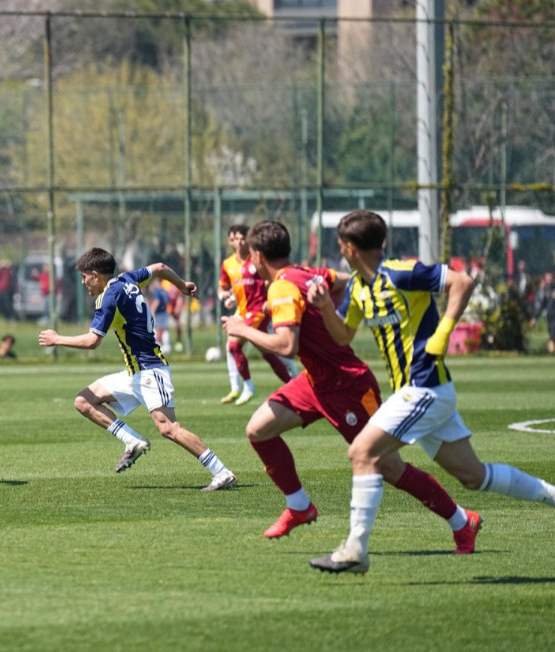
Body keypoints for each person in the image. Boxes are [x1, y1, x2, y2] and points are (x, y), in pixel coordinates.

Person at [307, 211, 555, 573]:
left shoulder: (401, 272)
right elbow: (343, 335)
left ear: (350, 246)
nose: (339, 250)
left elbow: (462, 283)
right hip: (417, 393)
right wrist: (326, 306)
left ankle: (355, 551)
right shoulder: (361, 289)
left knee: (362, 451)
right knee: (474, 476)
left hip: (424, 388)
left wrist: (443, 334)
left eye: (341, 244)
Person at [222, 220, 478, 550]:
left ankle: (462, 521)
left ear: (257, 256)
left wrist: (243, 329)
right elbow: (344, 280)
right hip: (315, 382)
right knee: (259, 429)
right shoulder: (307, 273)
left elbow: (287, 345)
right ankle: (300, 506)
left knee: (388, 467)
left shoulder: (282, 287)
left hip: (349, 386)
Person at [38, 247, 237, 492]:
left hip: (150, 371)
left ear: (96, 275)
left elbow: (92, 341)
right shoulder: (127, 279)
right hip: (135, 373)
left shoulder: (109, 296)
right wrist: (182, 284)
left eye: (84, 277)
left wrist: (57, 339)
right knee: (84, 400)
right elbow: (160, 267)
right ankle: (132, 440)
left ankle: (221, 471)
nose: (83, 283)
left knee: (169, 428)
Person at [217, 224, 296, 405]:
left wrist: (270, 298)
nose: (238, 242)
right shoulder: (228, 264)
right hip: (243, 312)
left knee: (233, 345)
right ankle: (292, 383)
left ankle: (248, 387)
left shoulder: (257, 261)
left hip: (259, 311)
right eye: (234, 238)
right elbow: (223, 286)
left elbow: (272, 280)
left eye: (242, 238)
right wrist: (225, 296)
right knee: (268, 351)